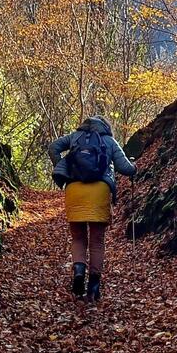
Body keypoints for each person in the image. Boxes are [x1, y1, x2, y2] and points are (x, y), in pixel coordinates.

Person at [47, 114, 136, 301]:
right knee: (97, 242)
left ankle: (79, 270)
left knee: (78, 238)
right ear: (105, 126)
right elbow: (125, 168)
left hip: (74, 190)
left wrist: (63, 166)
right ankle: (93, 288)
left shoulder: (74, 137)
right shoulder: (109, 141)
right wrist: (134, 167)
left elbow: (53, 147)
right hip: (100, 191)